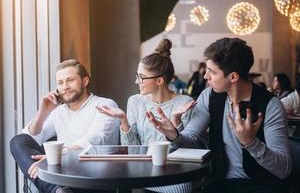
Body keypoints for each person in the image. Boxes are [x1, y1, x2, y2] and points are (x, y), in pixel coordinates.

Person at [147, 38, 291, 193]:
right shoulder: (208, 96)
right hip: (218, 183)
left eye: (212, 72)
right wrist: (175, 135)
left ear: (233, 77)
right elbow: (191, 138)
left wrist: (251, 143)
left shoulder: (271, 105)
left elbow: (283, 169)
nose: (205, 77)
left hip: (261, 185)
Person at [97, 39, 198, 192]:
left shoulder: (185, 103)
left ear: (159, 80)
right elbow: (134, 151)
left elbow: (188, 151)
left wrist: (176, 123)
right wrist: (123, 121)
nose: (136, 81)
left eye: (141, 77)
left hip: (175, 174)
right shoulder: (135, 101)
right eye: (137, 76)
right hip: (143, 173)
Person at [10, 59, 120, 193]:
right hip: (65, 179)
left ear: (85, 81)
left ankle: (55, 189)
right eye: (60, 83)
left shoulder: (105, 105)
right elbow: (29, 137)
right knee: (17, 141)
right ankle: (57, 190)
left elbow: (93, 139)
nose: (65, 86)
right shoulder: (59, 112)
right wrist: (43, 112)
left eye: (70, 80)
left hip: (95, 180)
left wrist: (56, 156)